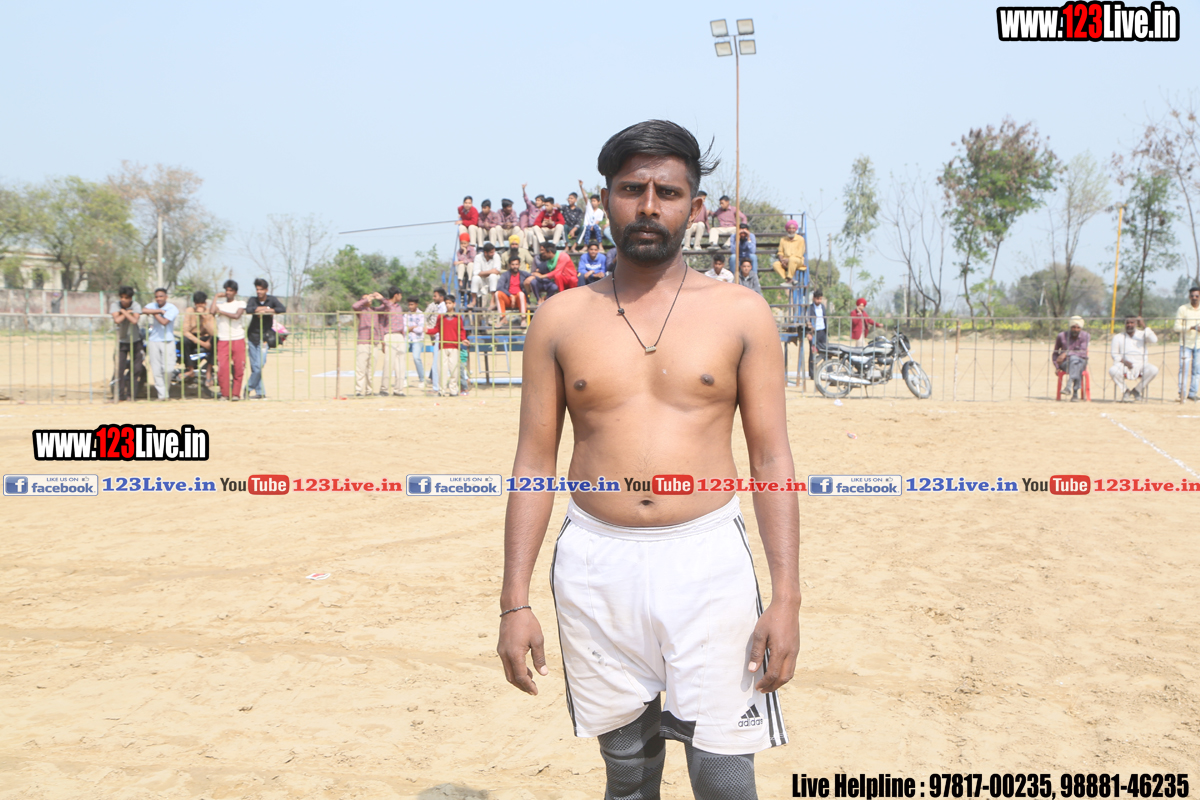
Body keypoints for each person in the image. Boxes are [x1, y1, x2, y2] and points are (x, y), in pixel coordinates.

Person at [497, 120, 798, 800]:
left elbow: (772, 460)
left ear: (695, 207)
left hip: (708, 560)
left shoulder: (742, 314)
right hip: (596, 563)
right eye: (632, 189)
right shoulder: (560, 319)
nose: (649, 206)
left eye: (668, 192)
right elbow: (533, 464)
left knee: (724, 773)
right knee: (628, 771)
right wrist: (514, 603)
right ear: (605, 199)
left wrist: (787, 598)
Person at [244, 278, 286, 400]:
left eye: (261, 289)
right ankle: (260, 392)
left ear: (266, 290)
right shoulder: (253, 300)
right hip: (252, 336)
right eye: (257, 289)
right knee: (254, 367)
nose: (259, 292)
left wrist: (268, 310)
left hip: (265, 338)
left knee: (259, 364)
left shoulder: (271, 300)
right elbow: (248, 309)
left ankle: (248, 388)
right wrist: (258, 309)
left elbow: (282, 309)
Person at [211, 279, 247, 401]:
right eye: (226, 290)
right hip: (223, 338)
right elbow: (212, 312)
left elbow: (237, 316)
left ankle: (236, 394)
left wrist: (221, 312)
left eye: (231, 290)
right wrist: (216, 297)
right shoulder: (220, 304)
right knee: (223, 368)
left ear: (235, 292)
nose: (228, 293)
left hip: (238, 337)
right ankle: (225, 394)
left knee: (239, 367)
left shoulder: (240, 303)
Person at [141, 287, 179, 400]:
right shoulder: (152, 305)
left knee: (168, 369)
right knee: (156, 369)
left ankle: (165, 391)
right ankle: (162, 395)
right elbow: (144, 310)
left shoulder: (172, 308)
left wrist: (155, 313)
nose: (159, 299)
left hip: (168, 340)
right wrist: (158, 311)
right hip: (154, 340)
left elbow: (164, 322)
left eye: (161, 296)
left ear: (166, 297)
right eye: (157, 297)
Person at [1109, 315, 1158, 402]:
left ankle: (1137, 390)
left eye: (1132, 322)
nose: (1129, 325)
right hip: (1124, 365)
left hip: (1141, 364)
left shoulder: (1142, 334)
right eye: (1127, 323)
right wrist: (1124, 362)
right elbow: (1114, 354)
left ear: (1136, 324)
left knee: (1154, 370)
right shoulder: (1118, 337)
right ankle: (1125, 391)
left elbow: (1154, 340)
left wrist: (1144, 325)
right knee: (1112, 370)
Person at [427, 294, 468, 397]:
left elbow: (461, 330)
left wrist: (463, 339)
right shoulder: (441, 317)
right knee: (442, 370)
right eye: (446, 303)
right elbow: (436, 329)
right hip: (443, 347)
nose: (448, 305)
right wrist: (427, 331)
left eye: (449, 303)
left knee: (454, 370)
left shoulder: (458, 317)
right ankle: (442, 390)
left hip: (454, 347)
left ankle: (453, 390)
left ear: (454, 304)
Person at [110, 286, 145, 401]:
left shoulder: (136, 305)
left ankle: (131, 395)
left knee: (136, 369)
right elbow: (117, 320)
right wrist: (127, 312)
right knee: (119, 369)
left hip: (136, 341)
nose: (123, 300)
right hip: (122, 342)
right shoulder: (115, 305)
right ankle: (119, 395)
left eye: (126, 298)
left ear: (131, 298)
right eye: (122, 297)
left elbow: (134, 321)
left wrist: (123, 312)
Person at [352, 291, 387, 396]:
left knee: (371, 369)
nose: (369, 300)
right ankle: (358, 390)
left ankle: (369, 390)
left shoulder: (375, 311)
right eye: (365, 298)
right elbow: (354, 306)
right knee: (361, 368)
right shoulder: (361, 310)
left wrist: (380, 298)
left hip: (374, 342)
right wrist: (366, 299)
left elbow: (386, 307)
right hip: (363, 342)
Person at [181, 290, 215, 389]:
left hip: (205, 336)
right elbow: (185, 331)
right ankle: (190, 369)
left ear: (205, 303)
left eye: (202, 303)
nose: (200, 306)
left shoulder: (208, 312)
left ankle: (209, 370)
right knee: (184, 341)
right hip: (193, 337)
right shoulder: (190, 311)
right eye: (197, 303)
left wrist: (204, 317)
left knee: (216, 340)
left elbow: (213, 331)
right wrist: (202, 343)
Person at [1053, 315, 1091, 401]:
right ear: (1070, 327)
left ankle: (1069, 386)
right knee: (1075, 362)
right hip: (1065, 363)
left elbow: (1082, 352)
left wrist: (1066, 353)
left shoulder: (1086, 336)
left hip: (1081, 361)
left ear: (1081, 328)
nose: (1076, 329)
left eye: (1078, 328)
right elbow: (1055, 353)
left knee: (1075, 360)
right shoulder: (1061, 336)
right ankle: (1075, 393)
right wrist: (1057, 366)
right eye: (1073, 327)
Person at [380, 287, 408, 397]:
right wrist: (382, 340)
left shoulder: (399, 307)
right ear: (396, 295)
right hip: (389, 335)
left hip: (399, 336)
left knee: (401, 363)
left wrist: (403, 336)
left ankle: (398, 389)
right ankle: (384, 388)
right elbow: (381, 324)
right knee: (389, 363)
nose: (401, 297)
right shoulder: (386, 307)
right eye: (400, 295)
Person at [1174, 284, 1200, 401]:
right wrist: (1191, 327)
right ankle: (1182, 393)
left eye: (1197, 296)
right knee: (1183, 369)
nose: (1194, 298)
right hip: (1186, 344)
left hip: (1199, 344)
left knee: (1197, 370)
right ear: (1189, 297)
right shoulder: (1183, 309)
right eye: (1192, 296)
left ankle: (1193, 393)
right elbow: (1176, 327)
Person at [424, 288, 448, 389]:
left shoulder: (443, 308)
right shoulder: (437, 306)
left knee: (438, 362)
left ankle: (436, 387)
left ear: (441, 297)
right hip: (437, 335)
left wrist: (429, 331)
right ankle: (437, 384)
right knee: (439, 361)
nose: (433, 298)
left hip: (441, 337)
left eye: (435, 296)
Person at [470, 241, 504, 311]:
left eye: (493, 252)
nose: (493, 253)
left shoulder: (496, 256)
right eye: (491, 252)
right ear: (485, 253)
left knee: (493, 276)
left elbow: (497, 271)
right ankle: (473, 301)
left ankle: (492, 301)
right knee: (475, 278)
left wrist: (483, 273)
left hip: (493, 281)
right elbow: (476, 273)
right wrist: (491, 271)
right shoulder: (478, 257)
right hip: (482, 281)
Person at [402, 297, 427, 391]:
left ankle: (422, 379)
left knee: (416, 358)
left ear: (416, 304)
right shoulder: (406, 315)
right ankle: (403, 378)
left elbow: (421, 329)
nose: (410, 306)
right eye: (409, 304)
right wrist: (413, 327)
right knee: (401, 356)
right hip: (407, 338)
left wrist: (410, 328)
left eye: (412, 304)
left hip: (418, 339)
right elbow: (403, 329)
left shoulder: (421, 315)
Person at [772, 220, 807, 287]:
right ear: (787, 229)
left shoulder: (800, 239)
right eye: (789, 228)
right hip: (785, 261)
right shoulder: (783, 239)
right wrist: (782, 261)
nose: (791, 230)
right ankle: (789, 280)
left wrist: (789, 260)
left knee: (792, 259)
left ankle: (789, 278)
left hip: (797, 261)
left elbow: (799, 253)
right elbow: (780, 252)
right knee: (775, 264)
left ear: (795, 229)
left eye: (793, 228)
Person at [806, 288, 827, 378]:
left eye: (820, 299)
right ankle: (812, 374)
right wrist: (808, 333)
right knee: (813, 353)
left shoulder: (823, 307)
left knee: (826, 351)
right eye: (817, 299)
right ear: (814, 298)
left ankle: (829, 371)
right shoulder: (810, 308)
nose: (819, 301)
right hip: (814, 333)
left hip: (822, 332)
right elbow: (807, 321)